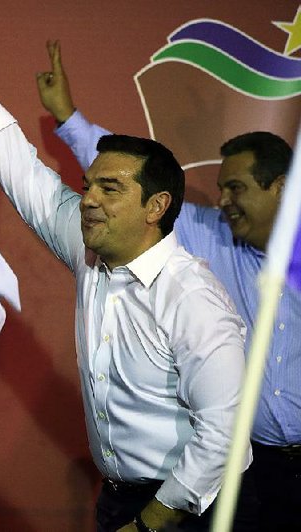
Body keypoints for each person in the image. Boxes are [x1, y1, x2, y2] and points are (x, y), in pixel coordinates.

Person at [0, 1, 249, 530]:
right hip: (116, 502)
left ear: (155, 208)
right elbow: (10, 157)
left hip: (186, 509)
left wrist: (151, 521)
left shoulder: (193, 298)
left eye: (111, 189)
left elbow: (225, 435)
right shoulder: (89, 248)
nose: (87, 200)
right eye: (88, 187)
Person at [37, 39, 300, 531]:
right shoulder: (209, 235)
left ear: (281, 189)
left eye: (236, 188)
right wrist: (68, 118)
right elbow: (131, 188)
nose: (222, 200)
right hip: (245, 473)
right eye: (220, 189)